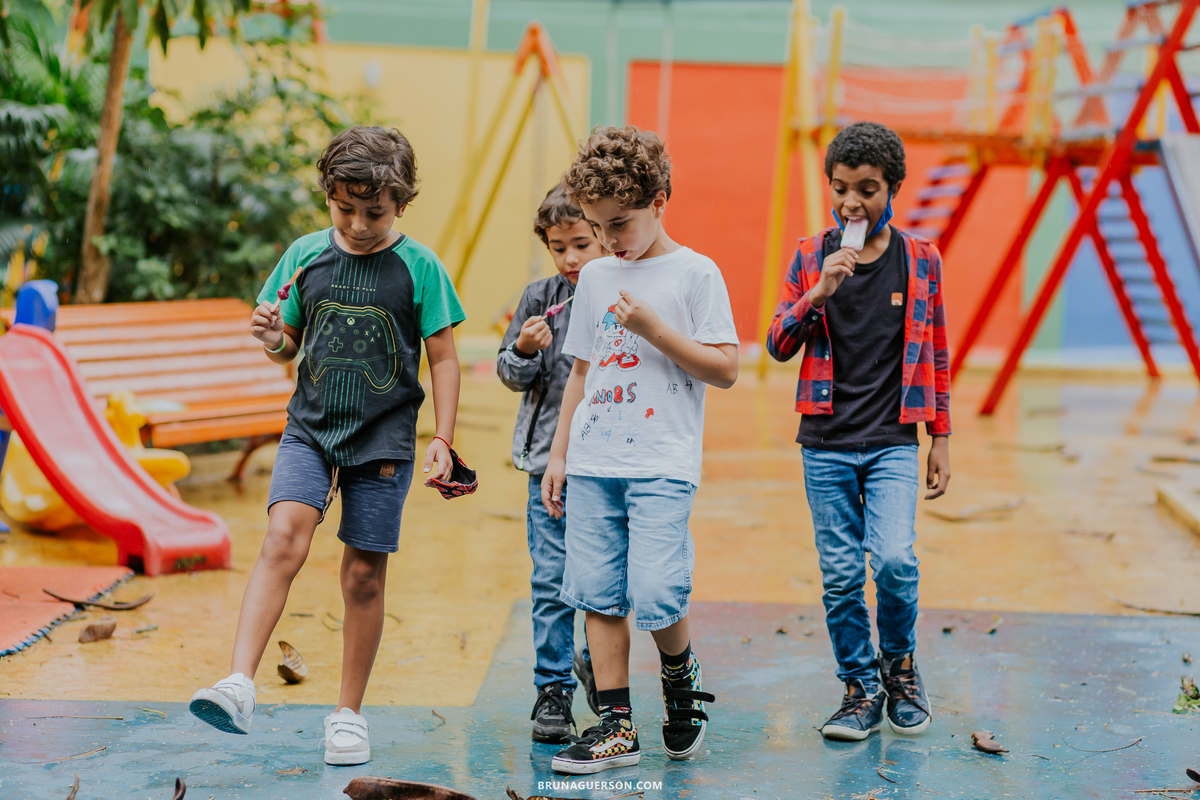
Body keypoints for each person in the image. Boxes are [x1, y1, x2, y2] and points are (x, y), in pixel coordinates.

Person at [188, 126, 466, 766]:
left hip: (384, 437)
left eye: (376, 211)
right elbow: (286, 343)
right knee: (283, 536)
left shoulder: (420, 267)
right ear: (328, 197)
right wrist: (268, 336)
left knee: (363, 575)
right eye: (346, 209)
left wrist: (444, 438)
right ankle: (238, 684)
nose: (361, 223)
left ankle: (347, 715)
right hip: (310, 426)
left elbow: (444, 359)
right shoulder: (305, 256)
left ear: (401, 203)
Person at [542, 126, 740, 774]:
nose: (608, 242)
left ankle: (680, 681)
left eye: (619, 224)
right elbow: (580, 372)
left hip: (661, 463)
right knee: (597, 593)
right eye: (598, 228)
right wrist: (560, 454)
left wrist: (655, 329)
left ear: (660, 200)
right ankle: (616, 725)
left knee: (656, 590)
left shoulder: (696, 273)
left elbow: (725, 368)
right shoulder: (597, 275)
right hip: (596, 462)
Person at [765, 121, 951, 742]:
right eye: (841, 189)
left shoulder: (921, 260)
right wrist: (817, 293)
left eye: (867, 189)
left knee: (895, 560)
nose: (851, 203)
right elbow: (776, 345)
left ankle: (899, 667)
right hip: (825, 445)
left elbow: (938, 353)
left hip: (895, 439)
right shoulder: (808, 255)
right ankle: (859, 687)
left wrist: (941, 438)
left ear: (892, 187)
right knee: (842, 575)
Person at [497, 185, 608, 743]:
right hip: (547, 464)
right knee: (550, 579)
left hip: (610, 463)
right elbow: (509, 375)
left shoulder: (620, 293)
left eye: (582, 244)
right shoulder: (540, 298)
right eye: (559, 247)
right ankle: (553, 689)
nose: (570, 259)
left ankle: (594, 658)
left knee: (606, 577)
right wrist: (523, 349)